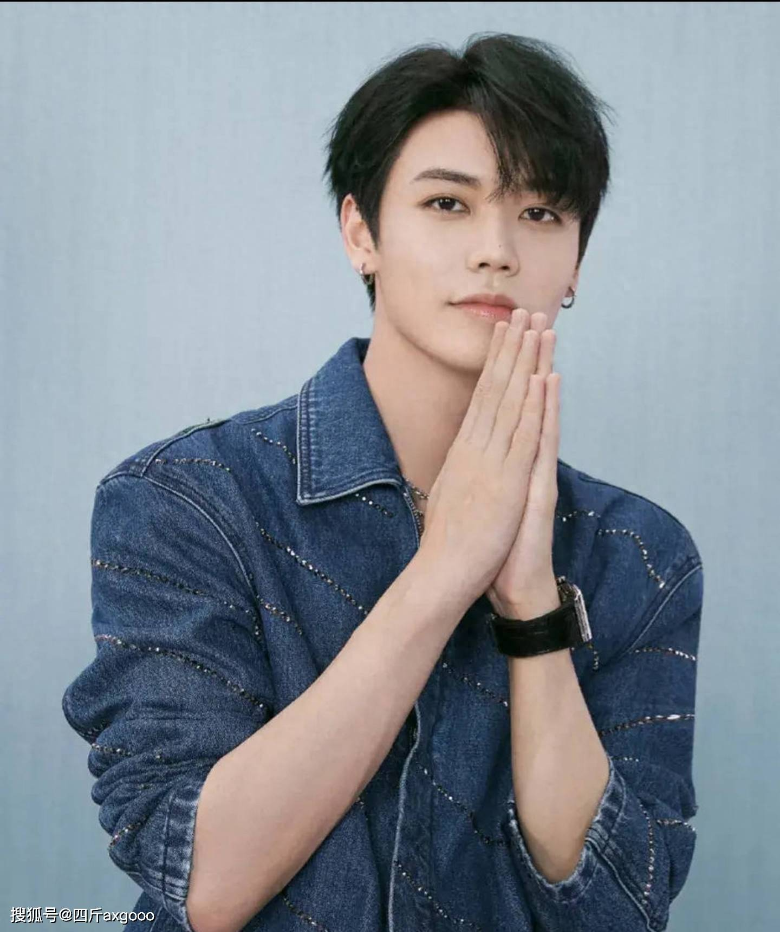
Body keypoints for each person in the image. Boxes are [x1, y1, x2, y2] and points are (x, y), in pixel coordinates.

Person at [62, 32, 703, 932]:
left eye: (541, 213)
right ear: (361, 233)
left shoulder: (639, 554)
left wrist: (530, 605)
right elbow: (205, 880)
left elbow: (617, 910)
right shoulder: (188, 500)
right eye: (448, 203)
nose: (497, 250)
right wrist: (445, 570)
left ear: (576, 264)